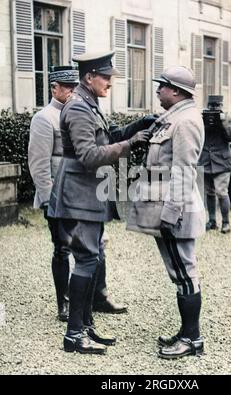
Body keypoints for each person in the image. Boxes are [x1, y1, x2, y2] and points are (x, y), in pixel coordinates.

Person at [47, 51, 156, 354]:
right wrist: (130, 143)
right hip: (78, 194)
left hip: (86, 194)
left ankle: (85, 327)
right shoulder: (79, 108)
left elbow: (104, 140)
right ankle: (73, 335)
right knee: (85, 260)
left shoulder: (89, 103)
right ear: (89, 77)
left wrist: (135, 127)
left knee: (90, 258)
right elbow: (89, 156)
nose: (110, 82)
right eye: (106, 76)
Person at [127, 66, 206, 359]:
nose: (158, 90)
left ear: (175, 90)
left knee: (185, 273)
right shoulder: (173, 118)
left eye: (162, 86)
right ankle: (187, 333)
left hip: (175, 209)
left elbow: (185, 171)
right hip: (167, 205)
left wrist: (171, 214)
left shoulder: (185, 121)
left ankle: (192, 339)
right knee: (180, 273)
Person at [28, 66, 79, 322]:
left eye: (73, 87)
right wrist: (49, 199)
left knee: (90, 247)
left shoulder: (77, 113)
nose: (70, 91)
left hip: (79, 194)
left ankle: (96, 296)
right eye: (65, 86)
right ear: (53, 88)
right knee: (62, 249)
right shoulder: (44, 117)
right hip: (57, 197)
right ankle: (64, 303)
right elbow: (38, 164)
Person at [198, 95, 231, 234]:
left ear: (221, 106)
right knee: (209, 192)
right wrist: (203, 121)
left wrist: (223, 122)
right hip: (206, 160)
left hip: (222, 161)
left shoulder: (230, 118)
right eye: (211, 106)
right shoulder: (202, 117)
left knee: (221, 192)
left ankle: (226, 222)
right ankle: (212, 220)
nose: (214, 109)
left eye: (216, 106)